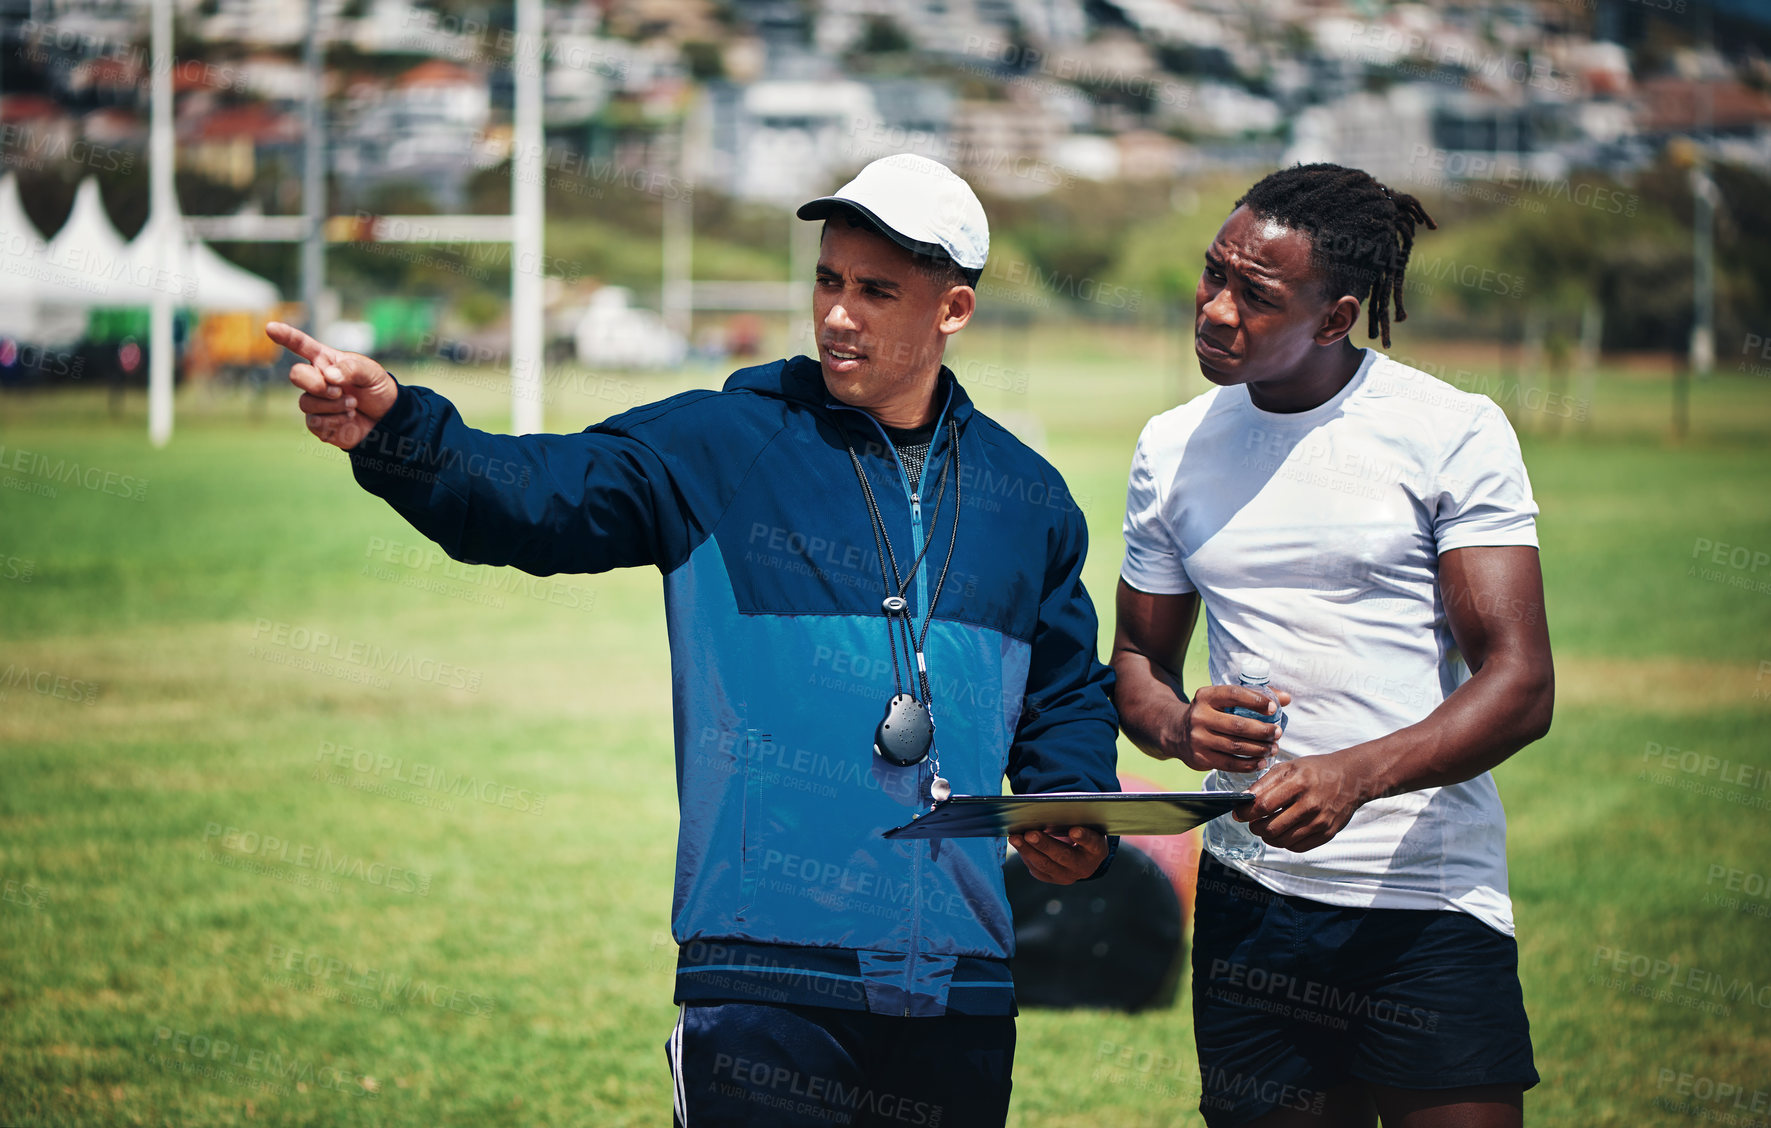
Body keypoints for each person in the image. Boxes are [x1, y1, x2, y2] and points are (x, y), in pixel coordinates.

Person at [268, 152, 1119, 1128]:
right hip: (763, 977)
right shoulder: (716, 445)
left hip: (960, 986)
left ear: (952, 312)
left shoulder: (1030, 499)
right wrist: (400, 432)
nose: (839, 312)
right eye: (827, 281)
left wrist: (1069, 814)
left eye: (876, 291)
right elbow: (536, 498)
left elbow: (1064, 699)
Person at [1110, 163, 1554, 1128]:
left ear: (1334, 315)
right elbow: (1137, 668)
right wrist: (1186, 730)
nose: (1215, 310)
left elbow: (1519, 684)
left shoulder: (1449, 430)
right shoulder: (1171, 445)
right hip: (1249, 902)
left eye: (1255, 295)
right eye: (1211, 275)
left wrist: (1352, 775)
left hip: (1424, 903)